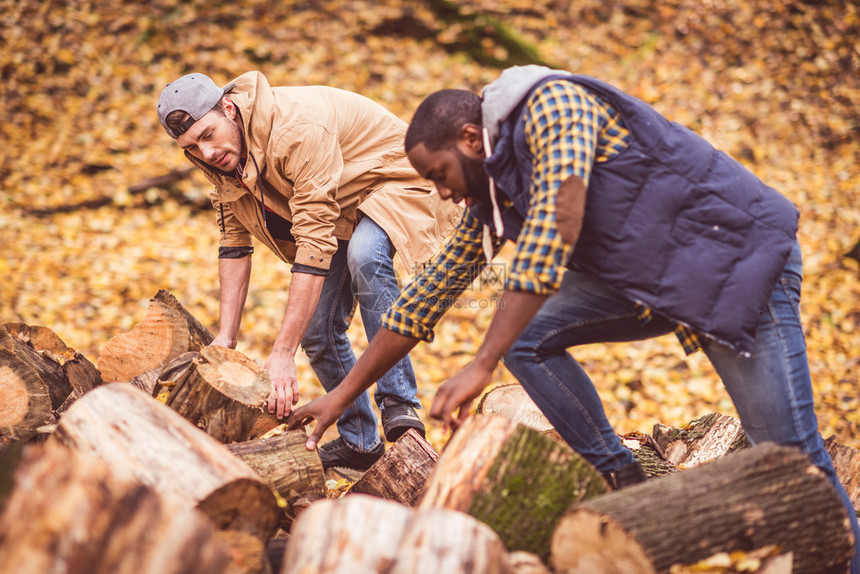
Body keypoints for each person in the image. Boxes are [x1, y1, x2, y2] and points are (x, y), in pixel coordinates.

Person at [288, 64, 860, 567]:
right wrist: (342, 396)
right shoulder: (496, 184)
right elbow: (429, 293)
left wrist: (481, 362)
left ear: (470, 137)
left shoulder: (552, 104)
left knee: (791, 462)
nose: (438, 193)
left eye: (438, 174)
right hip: (662, 281)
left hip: (743, 264)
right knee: (527, 337)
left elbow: (555, 226)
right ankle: (622, 477)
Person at [156, 71, 462, 471]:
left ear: (228, 108)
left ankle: (400, 405)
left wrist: (283, 352)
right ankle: (360, 442)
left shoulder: (295, 130)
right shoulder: (218, 155)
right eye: (192, 146)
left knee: (366, 256)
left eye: (209, 134)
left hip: (394, 179)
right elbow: (233, 242)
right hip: (341, 207)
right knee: (317, 331)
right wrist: (225, 339)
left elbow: (315, 241)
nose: (206, 152)